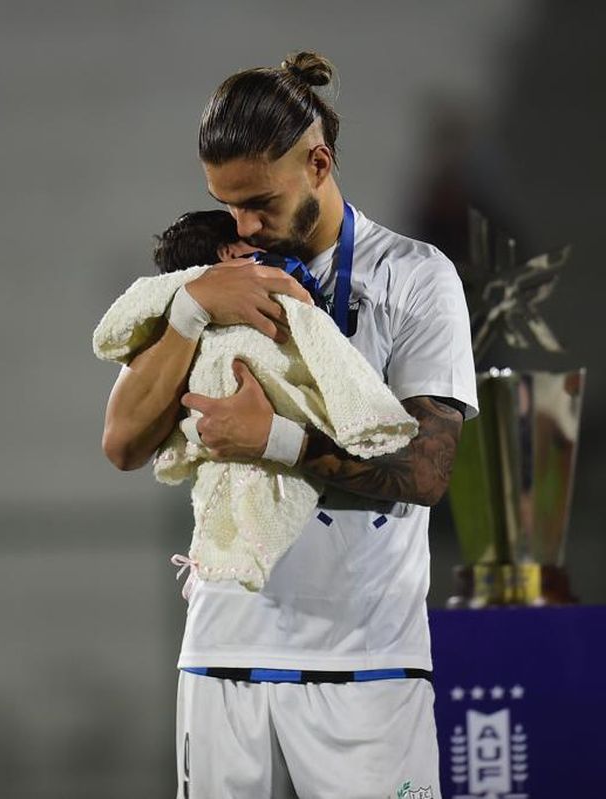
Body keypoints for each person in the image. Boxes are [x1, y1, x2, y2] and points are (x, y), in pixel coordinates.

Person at [101, 51, 477, 799]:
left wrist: (272, 437)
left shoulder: (415, 277)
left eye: (260, 202)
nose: (244, 224)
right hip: (222, 653)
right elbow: (122, 441)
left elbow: (429, 473)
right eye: (227, 203)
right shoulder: (215, 270)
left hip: (367, 664)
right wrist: (192, 307)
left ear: (318, 163)